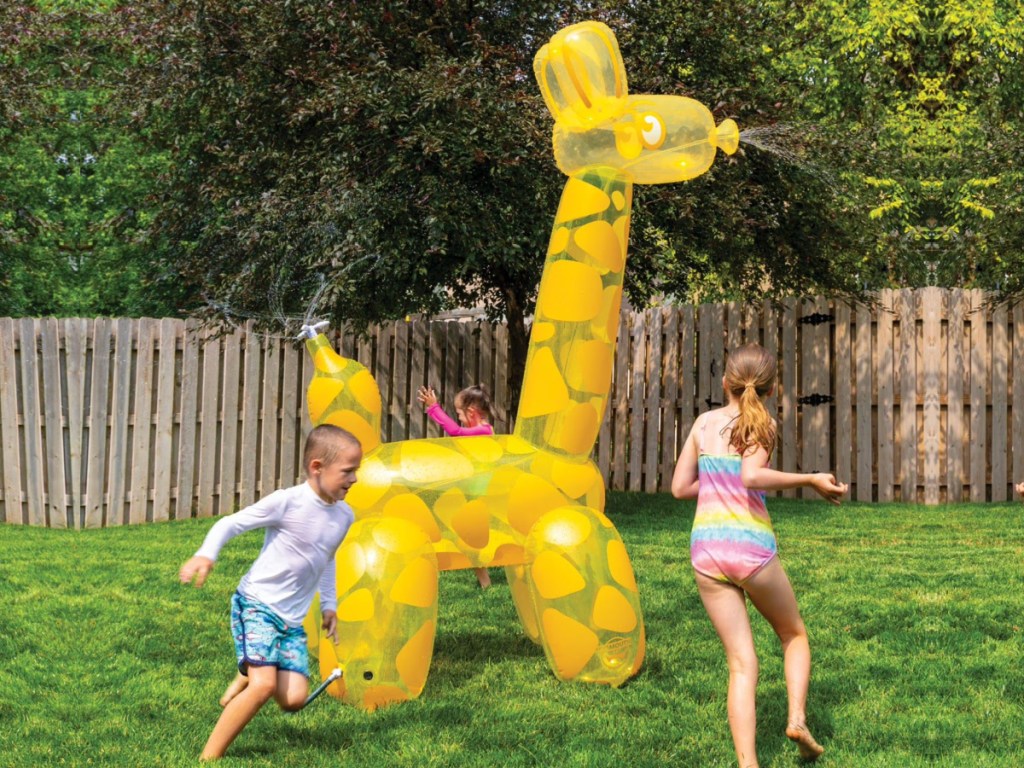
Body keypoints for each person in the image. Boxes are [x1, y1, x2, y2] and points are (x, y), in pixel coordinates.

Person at [671, 343, 847, 768]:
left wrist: (717, 483)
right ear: (770, 390)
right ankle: (797, 720)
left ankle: (748, 764)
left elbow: (679, 488)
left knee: (741, 664)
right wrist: (810, 479)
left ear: (725, 383)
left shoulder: (703, 423)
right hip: (749, 548)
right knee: (793, 635)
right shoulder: (762, 422)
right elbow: (751, 476)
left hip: (707, 551)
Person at [178, 424, 362, 761]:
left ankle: (246, 672)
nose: (354, 479)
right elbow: (230, 523)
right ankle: (209, 757)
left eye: (356, 471)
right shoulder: (288, 502)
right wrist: (206, 554)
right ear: (317, 467)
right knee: (263, 686)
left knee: (293, 700)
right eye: (347, 471)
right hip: (258, 604)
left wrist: (329, 606)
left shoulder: (344, 515)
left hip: (291, 621)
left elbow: (327, 558)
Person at [417, 383, 495, 589]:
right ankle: (485, 583)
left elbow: (455, 432)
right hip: (471, 492)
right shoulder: (478, 431)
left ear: (471, 412)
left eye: (459, 413)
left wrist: (434, 408)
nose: (458, 417)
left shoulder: (484, 431)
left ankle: (485, 581)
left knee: (468, 537)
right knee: (466, 538)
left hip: (479, 495)